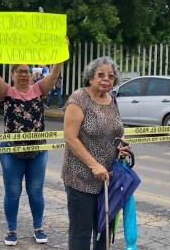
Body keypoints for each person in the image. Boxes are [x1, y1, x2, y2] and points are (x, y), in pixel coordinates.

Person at [0, 32, 64, 246]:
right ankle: (11, 230)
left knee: (35, 191)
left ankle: (38, 227)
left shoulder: (39, 90)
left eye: (27, 71)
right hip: (11, 151)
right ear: (13, 75)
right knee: (13, 191)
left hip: (37, 151)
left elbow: (54, 75)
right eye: (19, 71)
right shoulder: (6, 91)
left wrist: (61, 52)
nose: (24, 75)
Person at [62, 56, 130, 250]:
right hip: (80, 178)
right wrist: (94, 165)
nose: (106, 79)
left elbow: (114, 133)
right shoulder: (78, 99)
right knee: (81, 233)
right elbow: (70, 138)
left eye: (110, 76)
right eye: (100, 75)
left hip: (109, 180)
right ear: (90, 78)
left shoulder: (112, 100)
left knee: (105, 233)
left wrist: (121, 147)